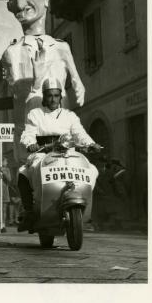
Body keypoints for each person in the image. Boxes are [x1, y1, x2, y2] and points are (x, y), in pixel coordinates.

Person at [2, 0, 85, 168]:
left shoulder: (61, 47)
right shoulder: (12, 52)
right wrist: (36, 81)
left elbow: (76, 84)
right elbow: (19, 97)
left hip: (63, 137)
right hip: (32, 143)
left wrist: (78, 84)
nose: (20, 3)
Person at [18, 77, 101, 231]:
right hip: (43, 152)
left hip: (68, 152)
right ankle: (31, 211)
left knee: (92, 170)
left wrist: (90, 144)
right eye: (49, 95)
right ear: (44, 96)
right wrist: (31, 143)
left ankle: (84, 205)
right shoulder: (35, 114)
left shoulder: (69, 115)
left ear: (61, 96)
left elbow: (79, 133)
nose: (53, 99)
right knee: (26, 171)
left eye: (56, 95)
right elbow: (28, 133)